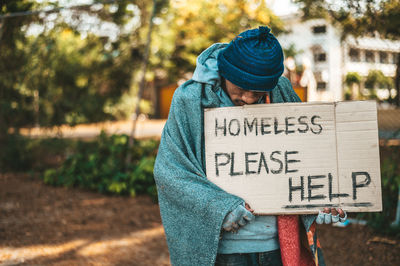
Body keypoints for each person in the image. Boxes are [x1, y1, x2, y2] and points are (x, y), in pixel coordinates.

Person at [153, 26, 347, 266]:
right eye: (241, 87)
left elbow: (306, 157)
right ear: (225, 72)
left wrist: (319, 201)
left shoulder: (282, 92)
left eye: (257, 92)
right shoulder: (191, 100)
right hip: (222, 251)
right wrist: (220, 208)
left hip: (277, 246)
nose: (248, 98)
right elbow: (170, 171)